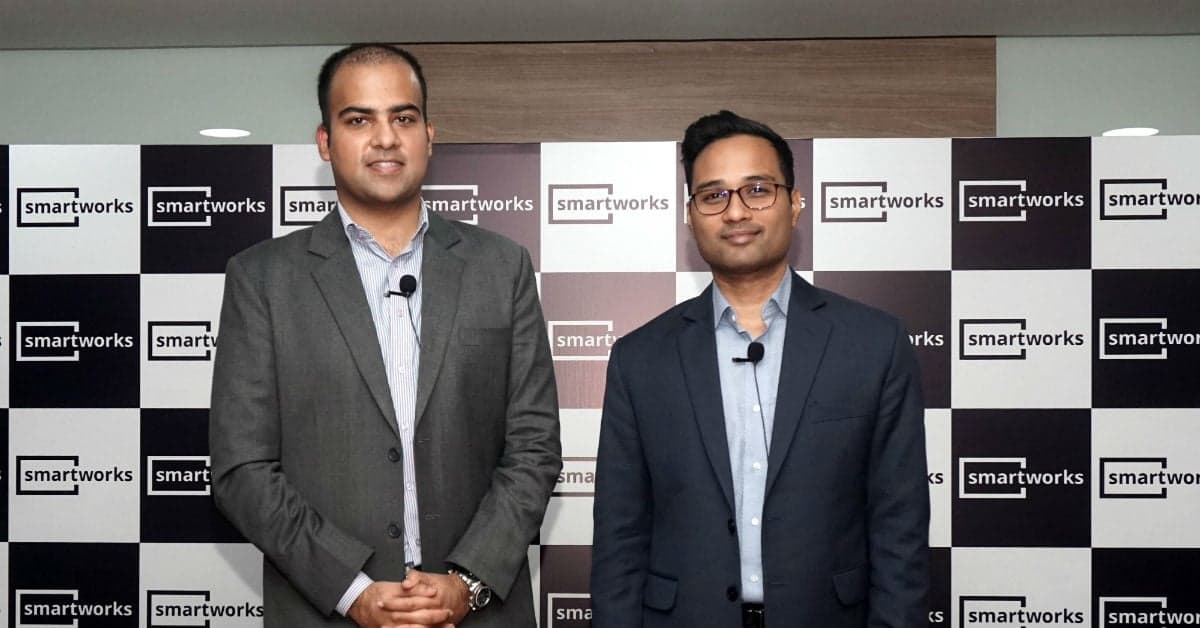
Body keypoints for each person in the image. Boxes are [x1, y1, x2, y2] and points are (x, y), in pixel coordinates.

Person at [210, 43, 561, 628]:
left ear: (429, 135)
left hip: (476, 614)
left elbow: (534, 446)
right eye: (358, 120)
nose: (385, 138)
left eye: (403, 117)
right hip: (326, 612)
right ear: (325, 141)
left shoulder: (502, 267)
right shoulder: (262, 278)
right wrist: (352, 591)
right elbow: (241, 469)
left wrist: (466, 583)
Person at [590, 110, 928, 627]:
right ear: (690, 215)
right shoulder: (640, 358)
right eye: (714, 195)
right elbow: (620, 534)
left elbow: (899, 525)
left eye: (757, 190)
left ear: (795, 203)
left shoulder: (873, 343)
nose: (735, 212)